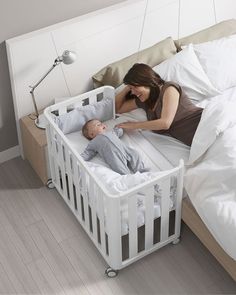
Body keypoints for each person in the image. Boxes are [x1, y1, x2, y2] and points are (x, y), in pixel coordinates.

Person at [115, 63, 203, 146]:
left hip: (201, 123)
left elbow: (165, 123)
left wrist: (134, 125)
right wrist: (127, 88)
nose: (133, 92)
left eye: (135, 87)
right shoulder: (143, 101)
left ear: (146, 82)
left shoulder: (169, 89)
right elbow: (117, 109)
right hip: (197, 142)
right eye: (131, 88)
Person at [80, 119, 149, 175]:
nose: (102, 124)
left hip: (125, 150)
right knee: (120, 168)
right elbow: (88, 152)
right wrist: (79, 158)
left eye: (101, 123)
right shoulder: (94, 142)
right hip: (114, 157)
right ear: (92, 134)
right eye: (98, 125)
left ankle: (144, 173)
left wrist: (119, 127)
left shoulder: (111, 132)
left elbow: (119, 132)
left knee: (135, 154)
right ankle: (129, 179)